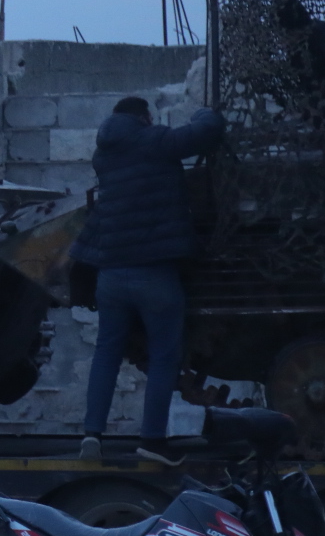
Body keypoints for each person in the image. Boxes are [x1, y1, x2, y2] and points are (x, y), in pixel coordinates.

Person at [69, 94, 224, 466]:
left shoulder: (103, 154)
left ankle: (92, 434)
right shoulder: (153, 140)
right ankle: (152, 441)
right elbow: (204, 132)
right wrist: (207, 110)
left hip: (110, 274)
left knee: (106, 351)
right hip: (153, 272)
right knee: (164, 356)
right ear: (144, 116)